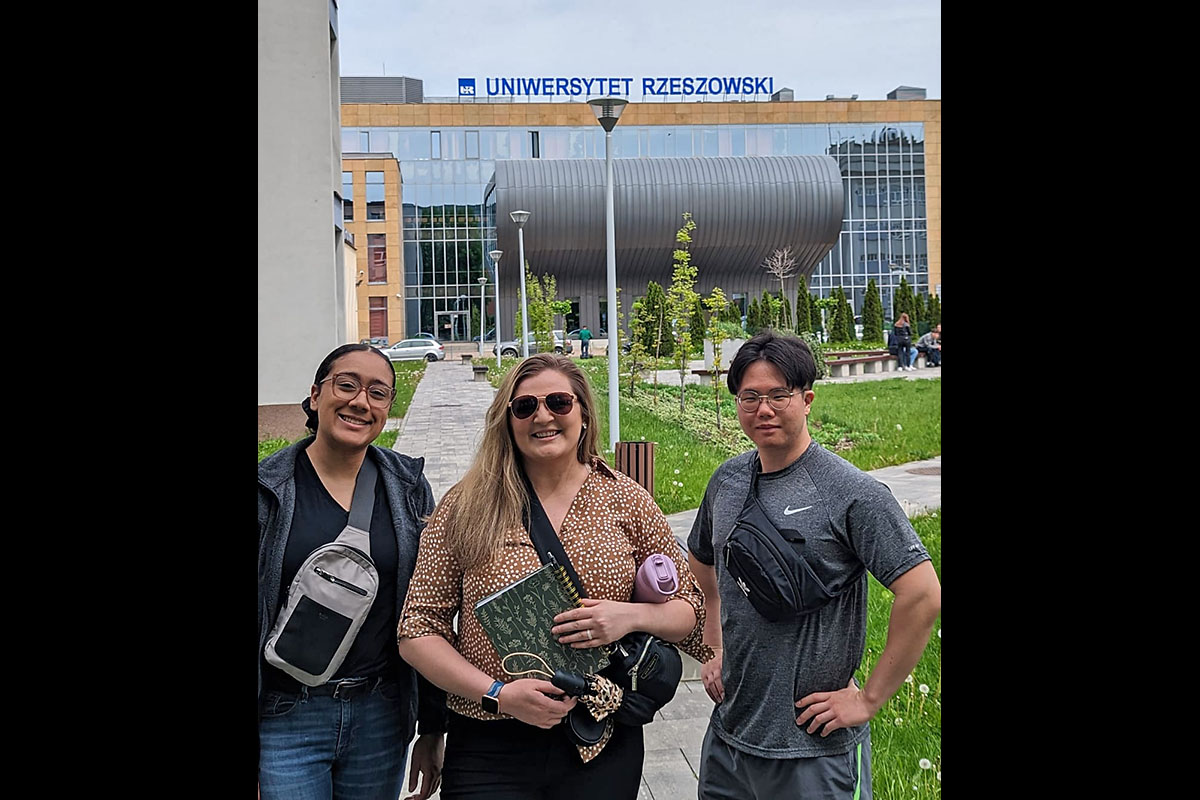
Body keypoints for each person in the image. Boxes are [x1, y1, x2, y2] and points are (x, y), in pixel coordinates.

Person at [397, 352, 708, 800]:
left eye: (559, 402)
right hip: (488, 739)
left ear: (583, 414)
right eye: (525, 407)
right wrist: (498, 693)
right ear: (507, 421)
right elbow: (418, 630)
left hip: (599, 737)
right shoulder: (465, 506)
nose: (542, 416)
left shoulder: (626, 499)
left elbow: (689, 610)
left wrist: (629, 617)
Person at [687, 331, 941, 800]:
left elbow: (922, 593)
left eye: (778, 395)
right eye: (750, 397)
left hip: (814, 751)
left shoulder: (851, 493)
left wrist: (869, 699)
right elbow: (704, 559)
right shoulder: (727, 481)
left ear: (806, 400)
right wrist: (713, 644)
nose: (763, 409)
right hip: (729, 739)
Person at [258, 343, 447, 800]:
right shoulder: (267, 490)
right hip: (284, 717)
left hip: (380, 716)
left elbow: (429, 609)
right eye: (346, 385)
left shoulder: (407, 487)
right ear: (315, 395)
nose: (360, 402)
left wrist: (433, 726)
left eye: (378, 393)